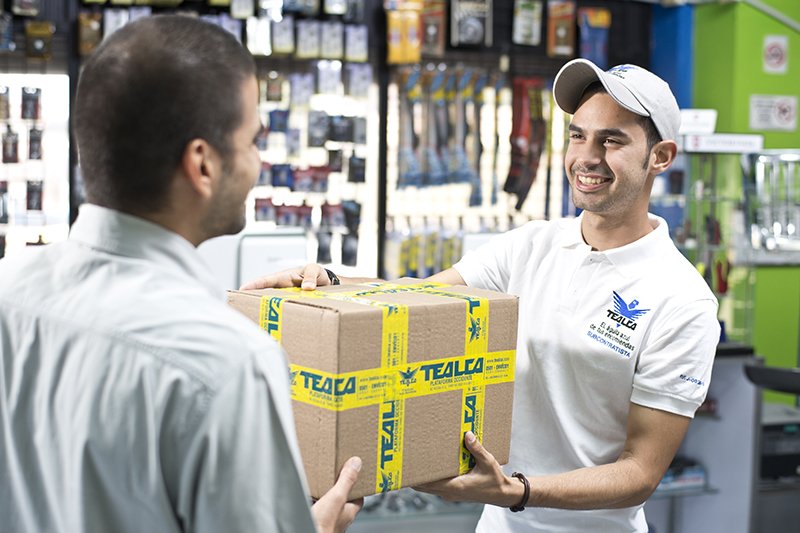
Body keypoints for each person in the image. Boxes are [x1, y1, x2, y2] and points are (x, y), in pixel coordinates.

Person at [241, 58, 720, 532]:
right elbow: (420, 295)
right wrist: (330, 281)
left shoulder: (682, 300)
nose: (587, 157)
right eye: (578, 135)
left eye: (611, 141)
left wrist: (518, 491)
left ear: (661, 156)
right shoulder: (532, 244)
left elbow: (640, 473)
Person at [0, 15, 362, 533]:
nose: (258, 161)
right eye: (252, 141)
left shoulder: (9, 291)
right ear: (203, 165)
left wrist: (224, 311)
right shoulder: (230, 365)